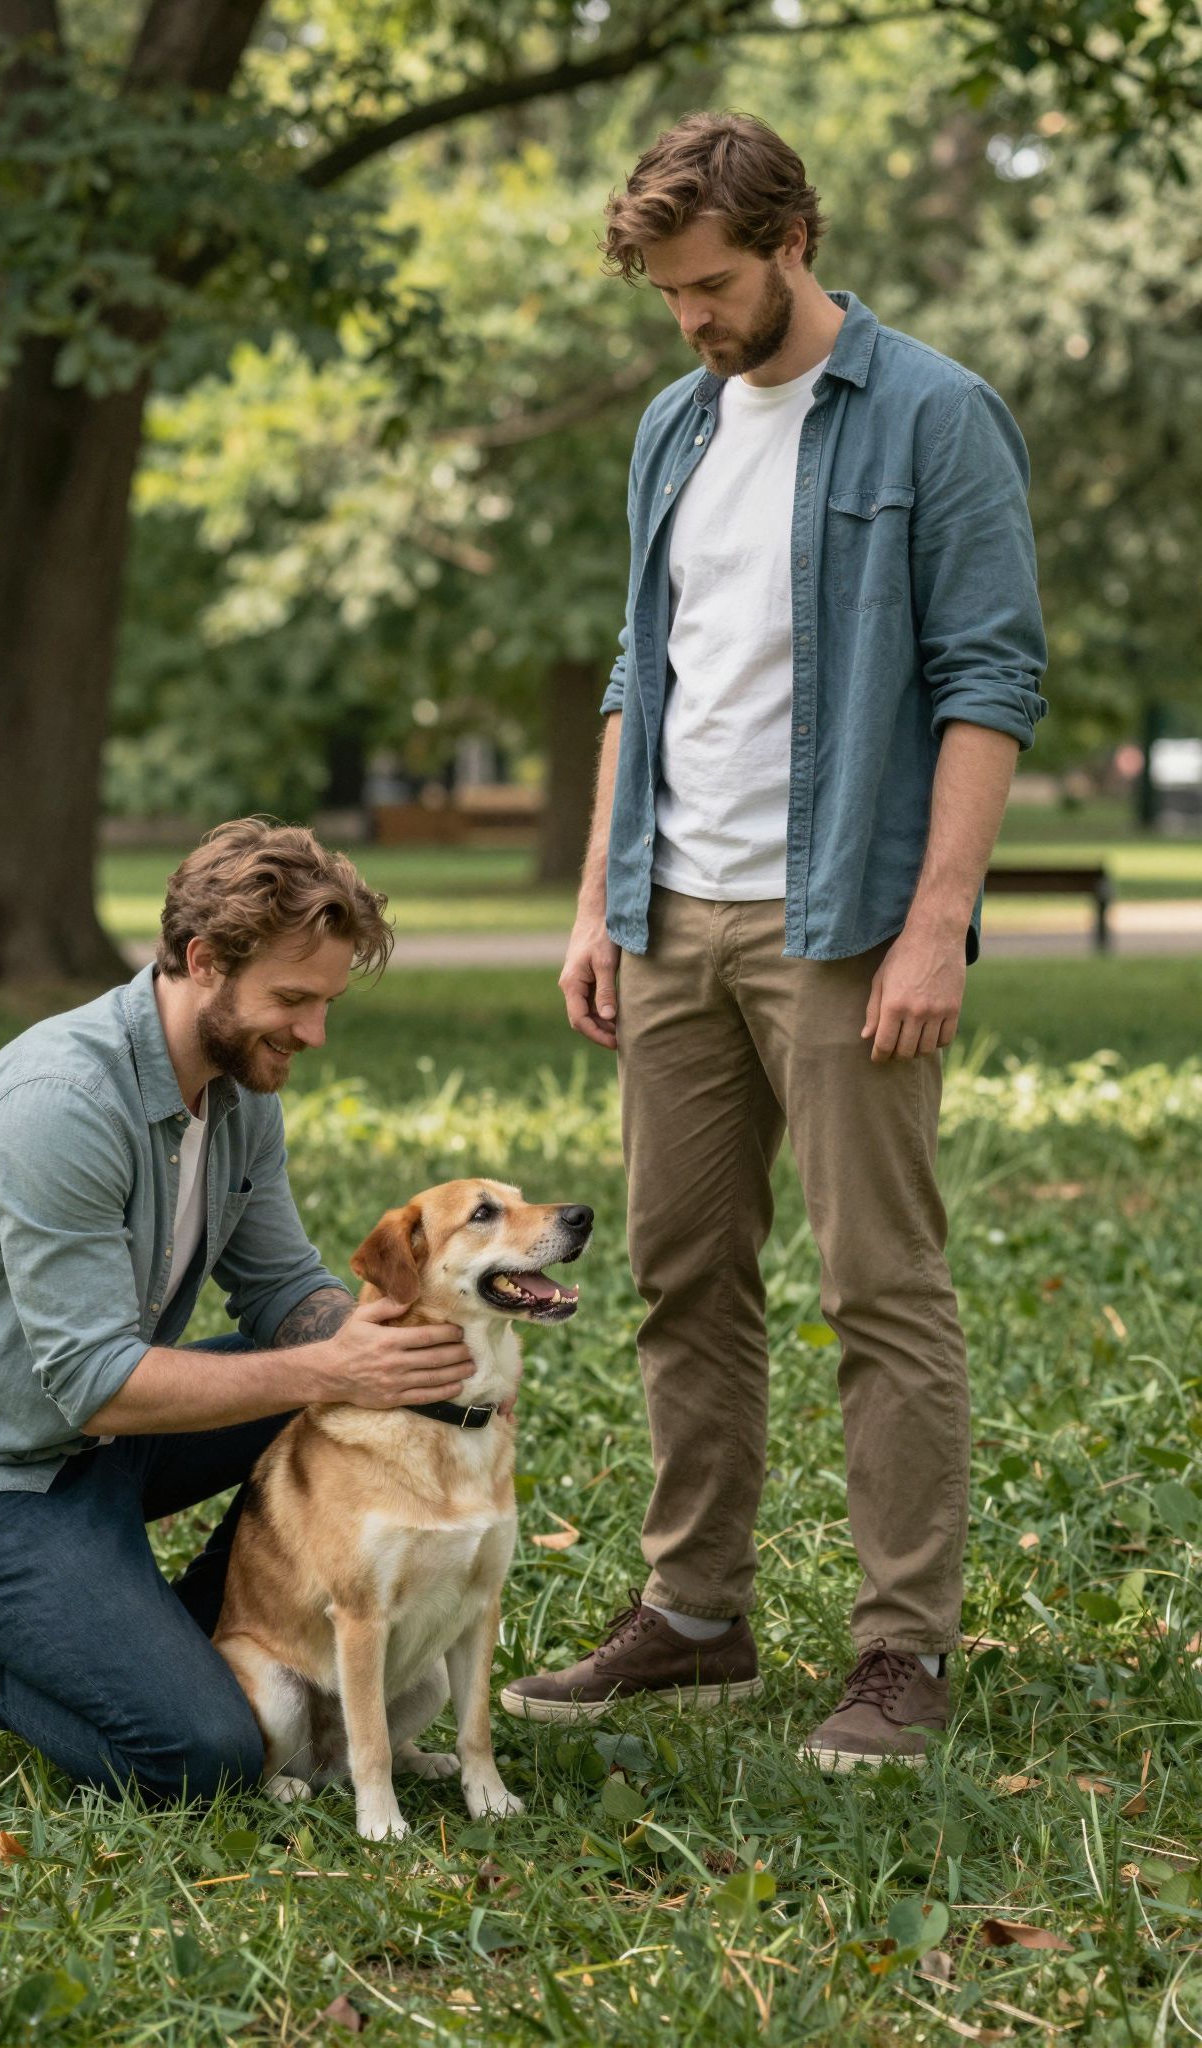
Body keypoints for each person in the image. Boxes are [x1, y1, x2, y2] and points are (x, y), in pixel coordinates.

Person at [499, 113, 1047, 1767]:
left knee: (877, 1283)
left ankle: (902, 1650)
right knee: (680, 1272)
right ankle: (695, 1611)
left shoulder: (936, 415)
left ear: (794, 237)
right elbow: (634, 676)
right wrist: (601, 893)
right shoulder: (673, 425)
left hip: (843, 917)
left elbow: (989, 680)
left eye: (714, 283)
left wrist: (933, 922)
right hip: (673, 909)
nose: (692, 320)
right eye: (668, 293)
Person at [0, 820, 478, 1798]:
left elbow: (281, 1288)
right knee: (201, 1753)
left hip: (92, 1446)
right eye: (293, 1000)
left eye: (326, 1001)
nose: (313, 1033)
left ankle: (185, 1640)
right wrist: (332, 1369)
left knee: (352, 1397)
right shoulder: (59, 1101)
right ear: (202, 960)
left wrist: (383, 1347)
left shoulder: (240, 1090)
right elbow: (96, 1384)